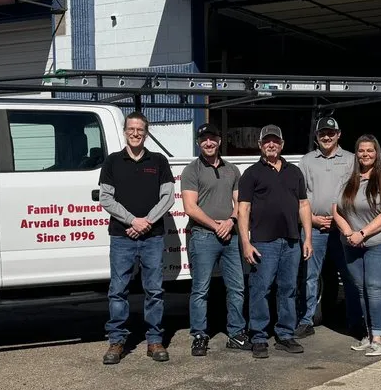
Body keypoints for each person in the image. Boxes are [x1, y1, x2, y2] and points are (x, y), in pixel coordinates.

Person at [98, 111, 176, 365]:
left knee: (154, 290)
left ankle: (154, 340)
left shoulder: (159, 161)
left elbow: (168, 198)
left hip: (152, 237)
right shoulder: (112, 161)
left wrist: (146, 223)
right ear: (125, 131)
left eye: (140, 130)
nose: (135, 133)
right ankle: (117, 341)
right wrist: (133, 221)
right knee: (118, 291)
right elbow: (106, 198)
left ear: (146, 131)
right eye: (131, 129)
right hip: (122, 236)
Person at [238, 124, 314, 359]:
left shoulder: (294, 172)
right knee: (260, 290)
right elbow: (243, 209)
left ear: (282, 144)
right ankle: (259, 337)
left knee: (288, 289)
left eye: (276, 141)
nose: (272, 145)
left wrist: (307, 237)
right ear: (260, 145)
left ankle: (285, 335)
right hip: (263, 242)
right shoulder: (252, 173)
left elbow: (303, 205)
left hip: (291, 241)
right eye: (267, 141)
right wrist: (245, 243)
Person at [180, 123, 251, 356]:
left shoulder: (232, 169)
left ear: (219, 141)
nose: (208, 143)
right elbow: (190, 207)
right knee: (200, 289)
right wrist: (215, 225)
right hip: (203, 236)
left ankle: (237, 334)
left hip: (229, 236)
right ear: (198, 143)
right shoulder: (192, 170)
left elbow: (240, 203)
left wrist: (230, 221)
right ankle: (199, 335)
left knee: (237, 287)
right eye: (203, 139)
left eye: (212, 138)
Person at [331, 134, 381, 356]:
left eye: (370, 150)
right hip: (351, 241)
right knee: (360, 290)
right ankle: (368, 334)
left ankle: (378, 338)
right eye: (361, 151)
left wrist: (363, 233)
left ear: (377, 153)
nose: (365, 154)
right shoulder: (347, 180)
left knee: (374, 288)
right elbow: (336, 209)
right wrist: (348, 231)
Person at [297, 117, 359, 339]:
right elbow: (298, 197)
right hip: (315, 228)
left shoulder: (352, 160)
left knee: (350, 276)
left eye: (331, 133)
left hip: (343, 228)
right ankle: (306, 321)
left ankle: (355, 321)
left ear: (339, 134)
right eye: (322, 133)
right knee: (310, 276)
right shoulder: (307, 161)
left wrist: (342, 220)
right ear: (316, 136)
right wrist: (311, 219)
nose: (326, 137)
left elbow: (357, 194)